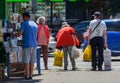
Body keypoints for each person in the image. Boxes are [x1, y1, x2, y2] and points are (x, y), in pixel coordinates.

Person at [11, 12, 38, 80]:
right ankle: (31, 75)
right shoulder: (34, 24)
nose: (22, 19)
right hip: (34, 44)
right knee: (32, 61)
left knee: (26, 60)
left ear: (25, 17)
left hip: (27, 44)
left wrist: (13, 35)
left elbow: (20, 33)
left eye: (23, 17)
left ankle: (27, 76)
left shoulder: (24, 24)